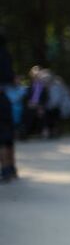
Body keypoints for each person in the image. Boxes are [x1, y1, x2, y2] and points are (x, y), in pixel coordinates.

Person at [0, 31, 17, 182]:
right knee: (6, 133)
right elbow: (11, 78)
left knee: (3, 135)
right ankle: (10, 167)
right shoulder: (6, 54)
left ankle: (6, 169)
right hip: (4, 96)